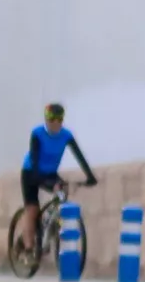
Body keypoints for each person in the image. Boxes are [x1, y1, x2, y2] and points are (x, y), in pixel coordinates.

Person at [22, 103, 98, 247]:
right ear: (46, 119)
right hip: (31, 172)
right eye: (52, 119)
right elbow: (34, 160)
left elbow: (80, 157)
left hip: (50, 173)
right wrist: (45, 181)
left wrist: (90, 176)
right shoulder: (37, 134)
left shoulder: (66, 135)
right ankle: (28, 247)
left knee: (63, 192)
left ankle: (51, 228)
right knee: (32, 209)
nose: (55, 123)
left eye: (59, 119)